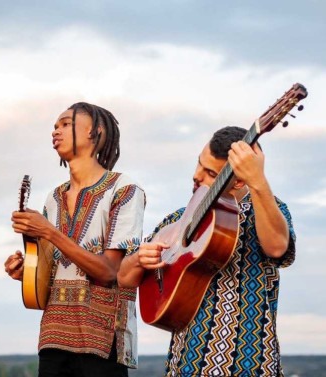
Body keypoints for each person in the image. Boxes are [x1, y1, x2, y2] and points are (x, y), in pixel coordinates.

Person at [118, 126, 296, 377]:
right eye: (199, 164)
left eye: (210, 172)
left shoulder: (269, 210)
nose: (196, 176)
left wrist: (259, 183)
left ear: (239, 180)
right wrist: (138, 259)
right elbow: (124, 277)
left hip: (250, 363)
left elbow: (278, 247)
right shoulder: (178, 220)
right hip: (186, 364)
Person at [4, 102, 147, 377]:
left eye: (66, 123)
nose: (55, 131)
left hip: (103, 341)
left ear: (95, 131)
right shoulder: (53, 198)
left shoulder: (125, 189)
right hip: (53, 338)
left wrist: (49, 231)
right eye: (55, 126)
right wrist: (27, 271)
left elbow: (109, 272)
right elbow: (51, 273)